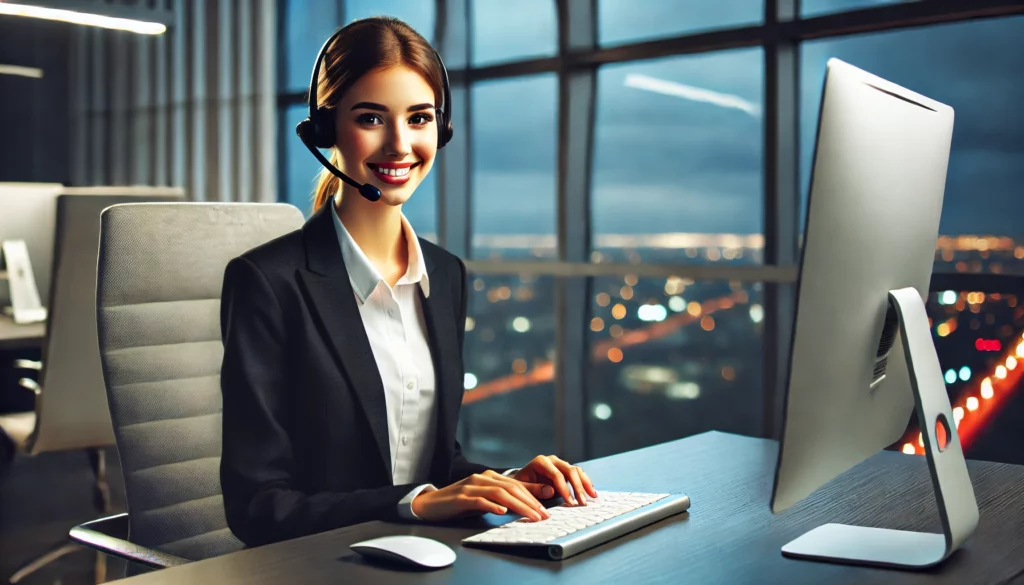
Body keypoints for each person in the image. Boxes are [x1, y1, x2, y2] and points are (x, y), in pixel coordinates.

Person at [219, 16, 597, 548]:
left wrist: (508, 484)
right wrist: (415, 504)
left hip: (424, 558)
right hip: (319, 567)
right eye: (371, 118)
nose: (400, 144)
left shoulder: (444, 275)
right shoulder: (267, 283)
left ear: (440, 130)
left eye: (419, 118)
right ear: (326, 131)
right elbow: (259, 507)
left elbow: (432, 459)